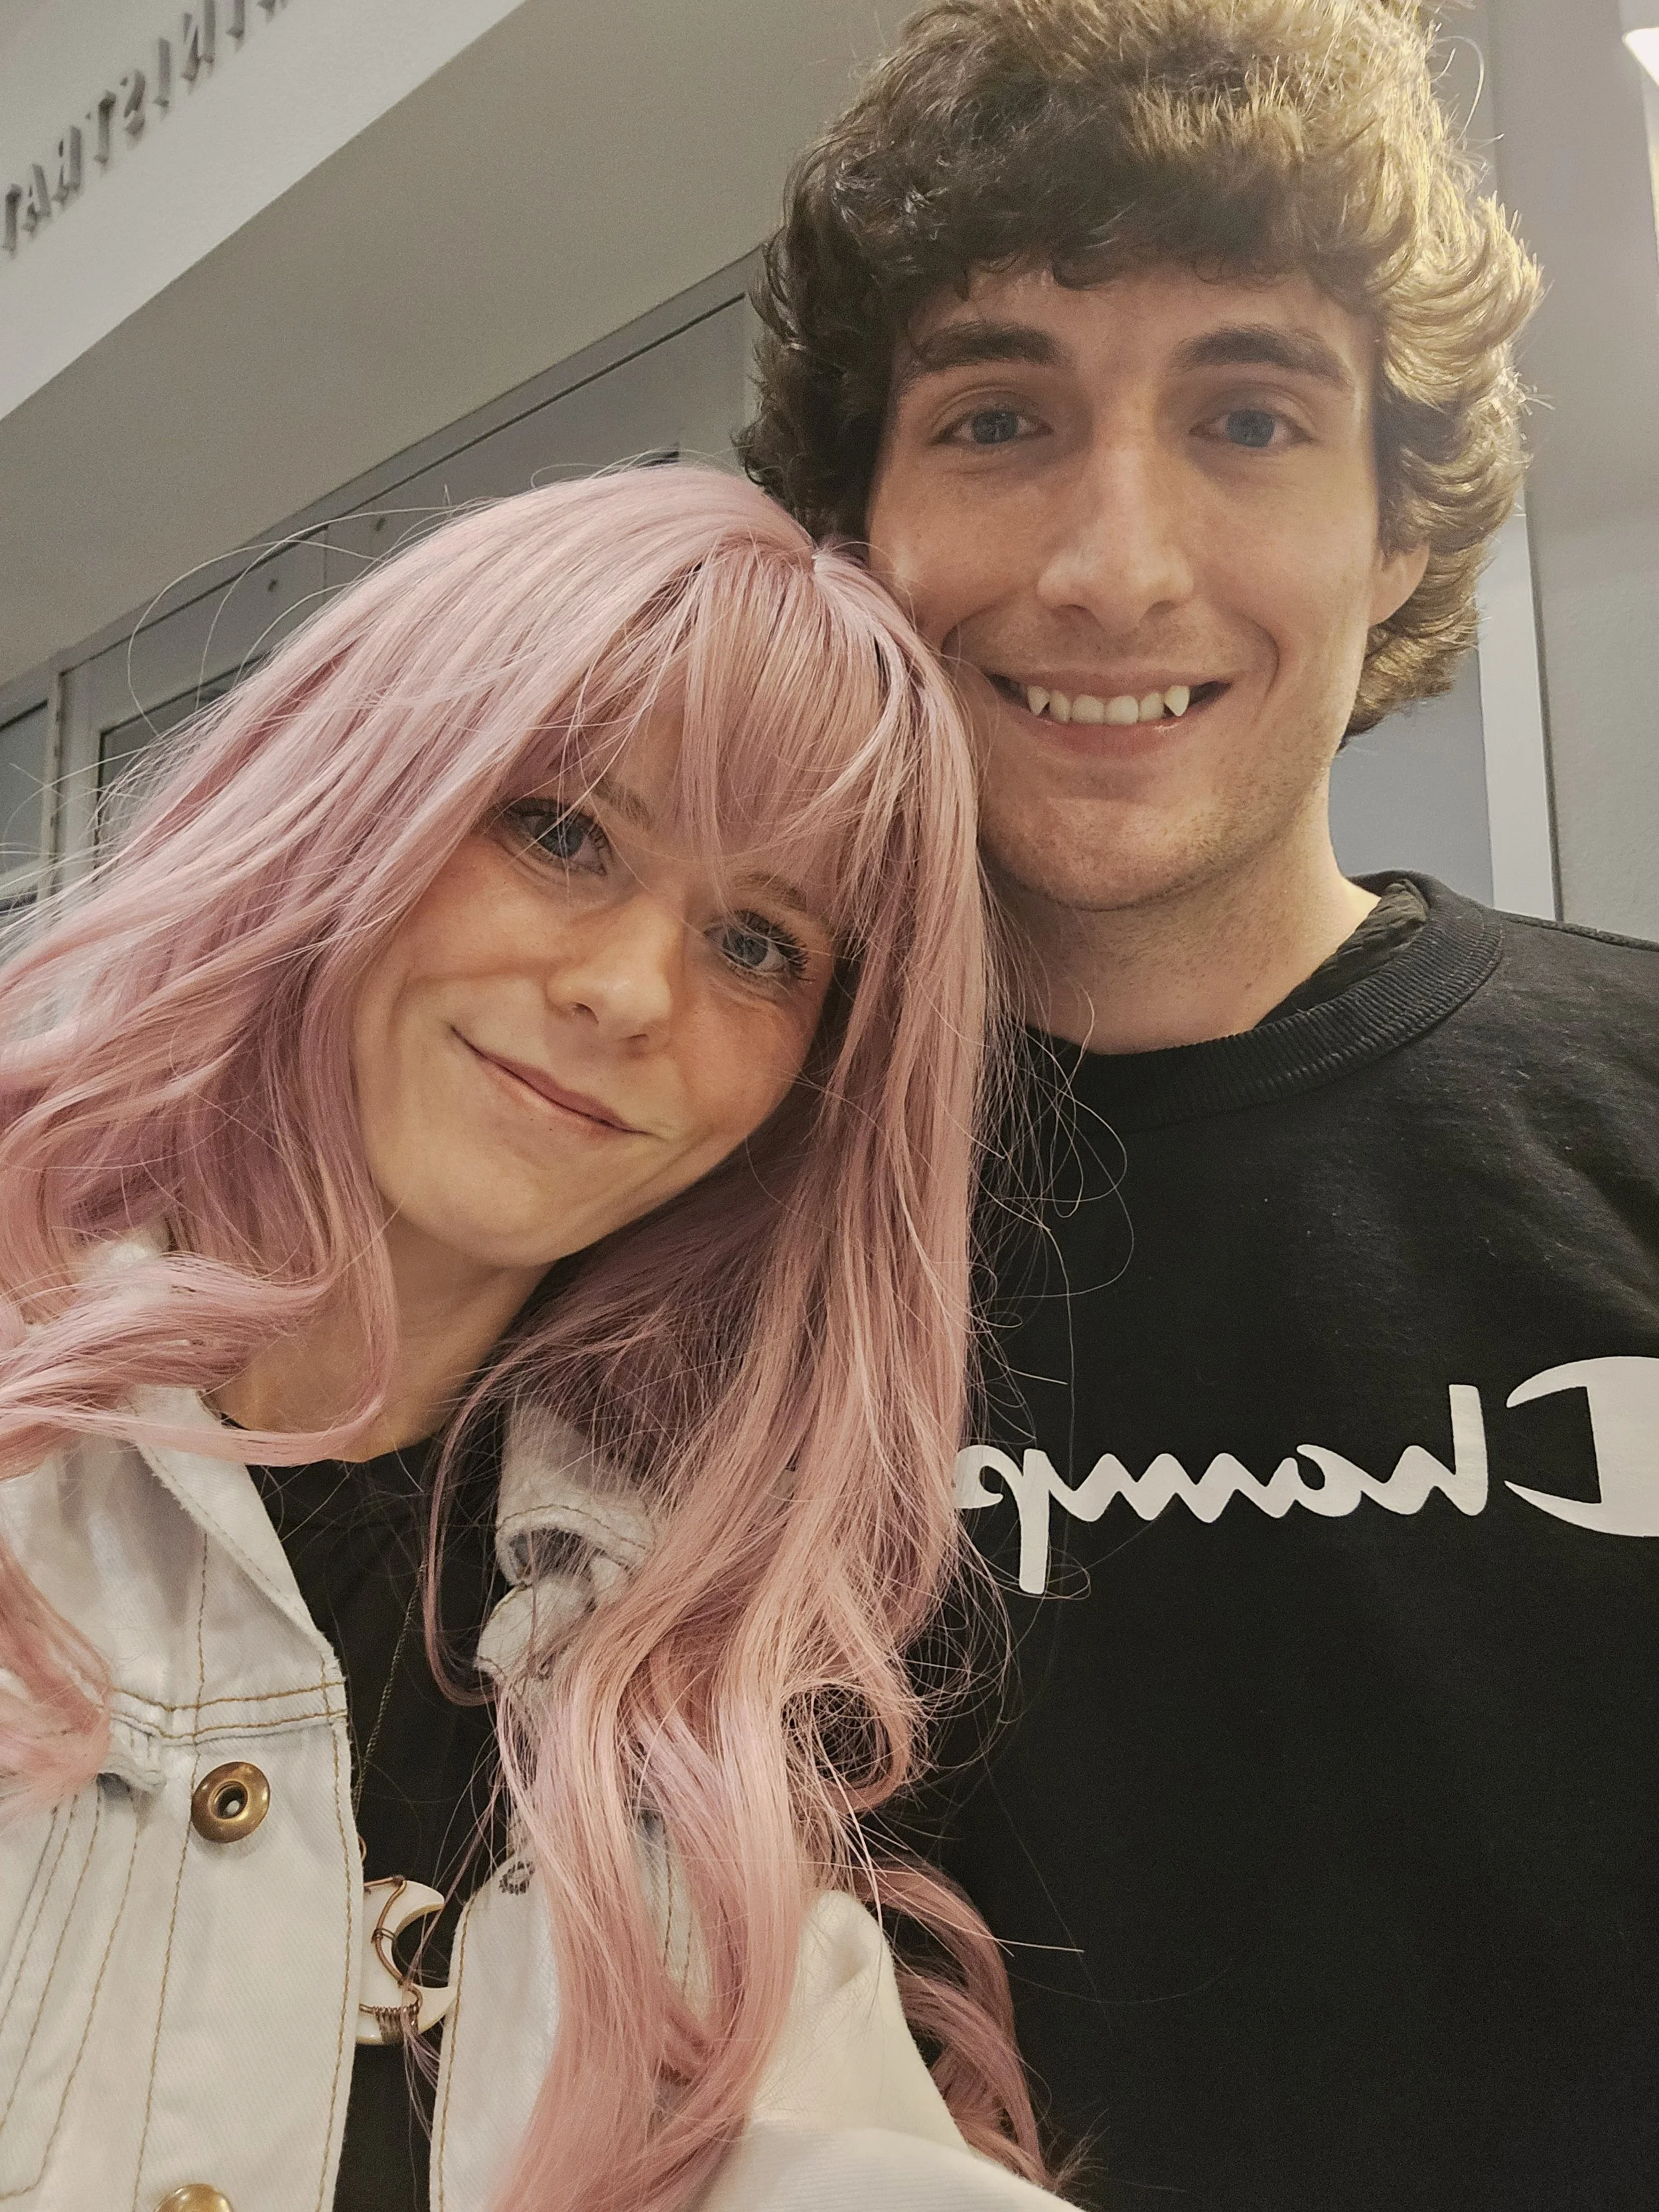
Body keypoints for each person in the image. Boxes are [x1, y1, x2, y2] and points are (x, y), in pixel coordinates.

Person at [741, 3, 1659, 2207]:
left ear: (1398, 537)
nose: (1110, 567)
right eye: (994, 419)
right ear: (854, 529)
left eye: (1247, 415)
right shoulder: (675, 1198)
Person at [0, 469, 1072, 2212]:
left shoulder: (669, 1703)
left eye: (756, 941)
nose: (632, 991)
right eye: (562, 832)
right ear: (356, 796)